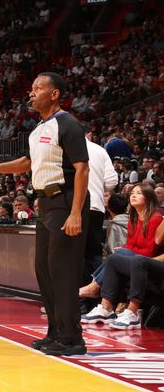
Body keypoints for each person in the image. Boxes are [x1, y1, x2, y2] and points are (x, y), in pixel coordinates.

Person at [0, 72, 90, 356]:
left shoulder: (68, 124)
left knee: (63, 271)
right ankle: (55, 332)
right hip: (45, 204)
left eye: (37, 89)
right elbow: (27, 163)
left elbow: (82, 169)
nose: (31, 94)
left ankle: (72, 339)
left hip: (65, 201)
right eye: (31, 89)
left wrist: (76, 213)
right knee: (44, 269)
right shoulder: (37, 130)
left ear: (54, 94)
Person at [81, 184, 164, 330]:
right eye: (132, 193)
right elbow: (131, 245)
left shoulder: (156, 218)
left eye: (139, 193)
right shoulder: (133, 218)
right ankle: (105, 309)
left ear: (149, 198)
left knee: (127, 255)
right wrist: (126, 250)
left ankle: (96, 288)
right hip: (141, 259)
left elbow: (150, 250)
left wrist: (127, 250)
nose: (133, 195)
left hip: (150, 260)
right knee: (114, 257)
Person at [81, 129, 119, 303]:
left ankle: (77, 300)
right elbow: (112, 181)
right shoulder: (100, 150)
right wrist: (97, 187)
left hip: (71, 209)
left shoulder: (64, 148)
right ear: (89, 134)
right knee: (94, 254)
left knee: (75, 255)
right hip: (95, 206)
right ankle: (100, 302)